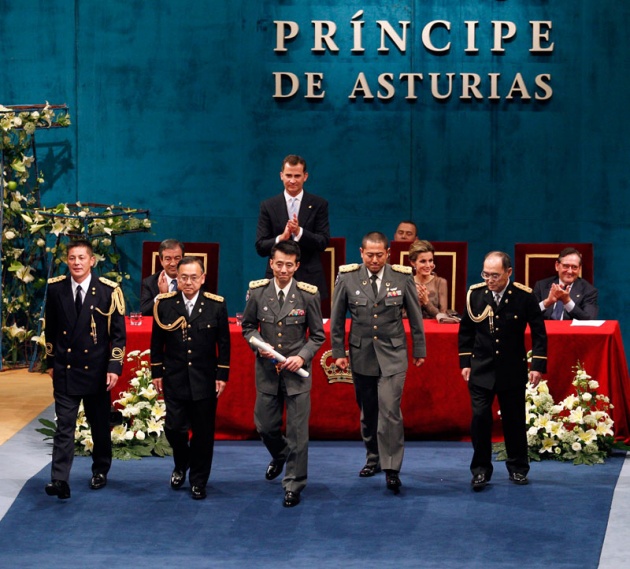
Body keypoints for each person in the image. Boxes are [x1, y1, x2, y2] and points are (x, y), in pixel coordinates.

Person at [330, 231, 426, 494]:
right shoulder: (348, 277)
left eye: (379, 255)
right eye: (369, 255)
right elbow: (337, 318)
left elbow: (416, 318)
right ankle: (373, 457)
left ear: (388, 254)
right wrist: (338, 351)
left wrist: (420, 349)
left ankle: (392, 468)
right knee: (368, 411)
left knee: (390, 410)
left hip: (394, 355)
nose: (374, 260)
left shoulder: (402, 276)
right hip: (361, 354)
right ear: (361, 253)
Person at [241, 240, 325, 508]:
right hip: (267, 371)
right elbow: (248, 327)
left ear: (297, 266)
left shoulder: (308, 295)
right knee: (264, 426)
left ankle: (293, 485)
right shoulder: (257, 292)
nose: (283, 269)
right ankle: (281, 455)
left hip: (296, 373)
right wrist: (259, 344)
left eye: (289, 265)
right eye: (279, 264)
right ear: (271, 263)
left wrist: (302, 355)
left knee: (299, 432)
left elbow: (318, 335)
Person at [458, 251, 547, 492]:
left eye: (495, 275)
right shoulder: (475, 294)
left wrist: (537, 366)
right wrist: (465, 362)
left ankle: (518, 468)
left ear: (509, 272)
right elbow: (466, 331)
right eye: (485, 274)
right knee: (480, 420)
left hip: (511, 369)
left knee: (514, 420)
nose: (489, 280)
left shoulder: (524, 296)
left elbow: (539, 333)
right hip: (481, 369)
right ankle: (480, 471)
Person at [44, 239, 126, 499]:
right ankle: (59, 480)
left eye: (81, 258)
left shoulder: (107, 291)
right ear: (67, 261)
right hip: (66, 369)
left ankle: (100, 470)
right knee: (64, 426)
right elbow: (51, 330)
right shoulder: (56, 289)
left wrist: (114, 367)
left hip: (97, 371)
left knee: (99, 425)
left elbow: (118, 336)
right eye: (72, 258)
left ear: (92, 261)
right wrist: (50, 363)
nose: (76, 263)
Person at [150, 256, 230, 500]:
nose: (188, 282)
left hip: (204, 379)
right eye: (183, 277)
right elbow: (157, 341)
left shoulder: (215, 305)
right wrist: (156, 371)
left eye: (194, 277)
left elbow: (224, 343)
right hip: (174, 377)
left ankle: (198, 480)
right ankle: (181, 462)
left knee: (204, 435)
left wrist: (222, 374)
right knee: (174, 428)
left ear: (203, 278)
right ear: (177, 278)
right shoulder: (164, 304)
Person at [255, 154, 330, 298]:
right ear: (281, 175)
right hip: (276, 279)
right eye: (288, 175)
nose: (292, 180)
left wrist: (299, 232)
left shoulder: (319, 204)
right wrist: (281, 238)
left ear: (305, 176)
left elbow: (323, 242)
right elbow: (261, 246)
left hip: (309, 279)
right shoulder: (268, 206)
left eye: (297, 176)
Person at [533, 247, 599, 320]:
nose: (570, 271)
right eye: (566, 266)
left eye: (574, 267)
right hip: (544, 330)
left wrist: (567, 302)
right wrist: (547, 302)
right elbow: (527, 314)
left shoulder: (589, 291)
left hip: (572, 331)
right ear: (557, 266)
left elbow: (589, 319)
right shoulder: (541, 286)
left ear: (579, 269)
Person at [140, 239, 185, 316]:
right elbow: (144, 312)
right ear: (161, 261)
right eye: (168, 259)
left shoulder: (193, 281)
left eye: (177, 258)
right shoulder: (149, 282)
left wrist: (183, 293)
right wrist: (161, 296)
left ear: (183, 259)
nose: (173, 263)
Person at [409, 240, 449, 319]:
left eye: (430, 260)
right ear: (413, 263)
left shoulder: (440, 282)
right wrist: (417, 303)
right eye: (423, 261)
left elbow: (443, 316)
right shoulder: (407, 283)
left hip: (435, 329)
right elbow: (401, 315)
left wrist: (426, 302)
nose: (428, 265)